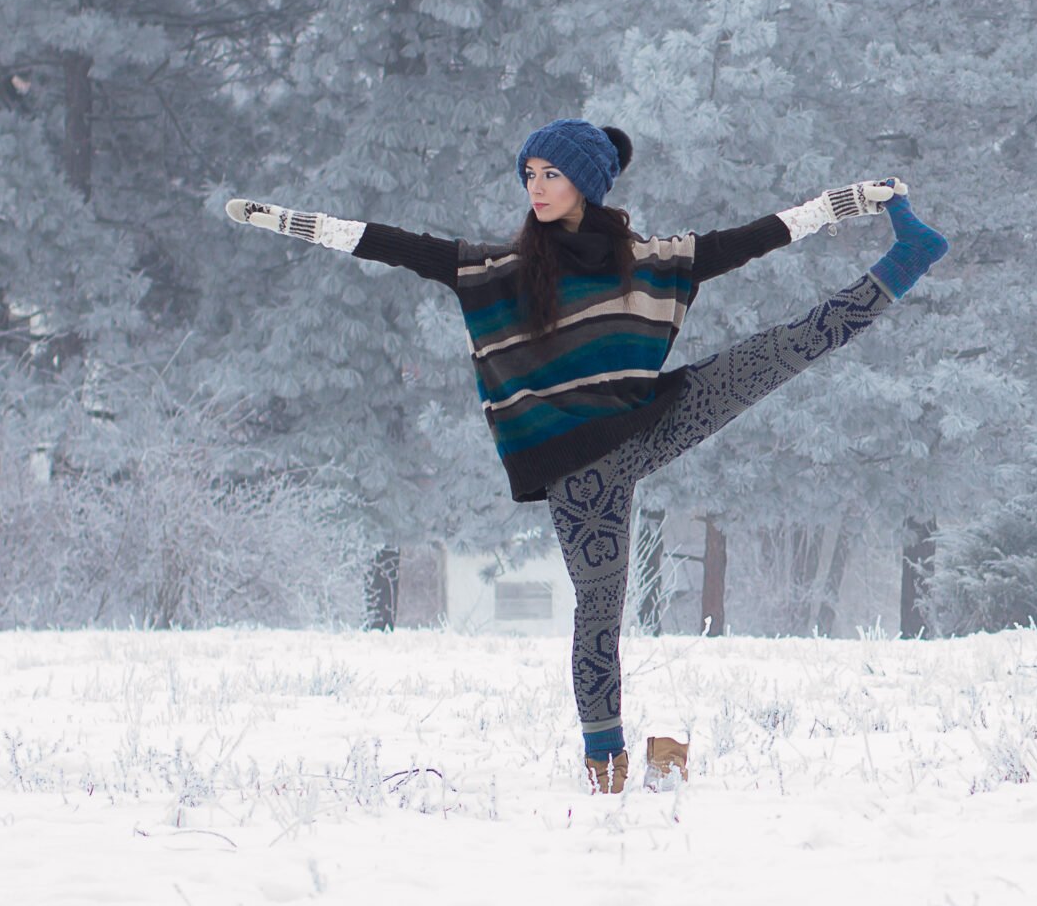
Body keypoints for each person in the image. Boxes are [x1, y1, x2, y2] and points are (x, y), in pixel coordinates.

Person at [224, 118, 948, 793]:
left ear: (586, 184)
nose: (535, 187)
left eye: (549, 174)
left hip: (645, 421)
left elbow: (752, 238)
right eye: (528, 174)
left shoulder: (649, 260)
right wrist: (288, 222)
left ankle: (908, 255)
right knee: (600, 610)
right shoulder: (495, 268)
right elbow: (388, 242)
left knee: (779, 351)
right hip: (578, 469)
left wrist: (844, 203)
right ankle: (605, 766)